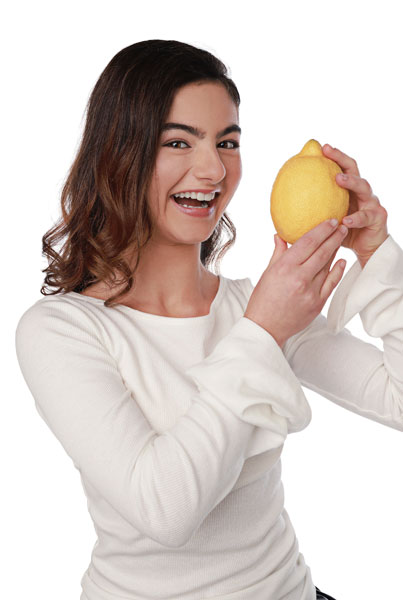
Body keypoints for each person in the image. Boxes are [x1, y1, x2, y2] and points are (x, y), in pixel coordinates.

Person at [14, 39, 402, 600]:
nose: (214, 168)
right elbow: (165, 510)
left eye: (227, 142)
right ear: (118, 153)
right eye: (178, 141)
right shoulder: (62, 330)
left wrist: (379, 257)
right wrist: (263, 330)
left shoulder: (256, 304)